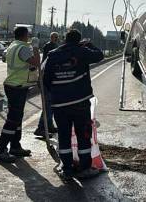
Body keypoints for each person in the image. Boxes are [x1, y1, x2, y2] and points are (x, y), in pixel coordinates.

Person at [43, 29, 104, 179]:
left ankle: (67, 170)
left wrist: (58, 93)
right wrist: (89, 44)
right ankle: (84, 168)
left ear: (64, 39)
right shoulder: (82, 51)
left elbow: (45, 80)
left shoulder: (53, 55)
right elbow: (99, 55)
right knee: (83, 135)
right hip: (80, 103)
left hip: (59, 105)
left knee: (63, 136)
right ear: (79, 40)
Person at [0, 26, 41, 163]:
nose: (29, 36)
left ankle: (15, 146)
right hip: (17, 87)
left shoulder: (12, 46)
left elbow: (5, 59)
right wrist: (36, 48)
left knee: (17, 118)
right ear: (24, 35)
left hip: (13, 85)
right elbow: (36, 62)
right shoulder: (23, 48)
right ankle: (1, 149)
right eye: (28, 35)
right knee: (13, 119)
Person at [34, 32, 60, 137]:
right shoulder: (49, 48)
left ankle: (49, 125)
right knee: (48, 106)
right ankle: (41, 128)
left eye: (56, 37)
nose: (55, 39)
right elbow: (45, 62)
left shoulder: (56, 47)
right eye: (54, 37)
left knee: (51, 105)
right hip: (47, 80)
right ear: (51, 37)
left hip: (49, 80)